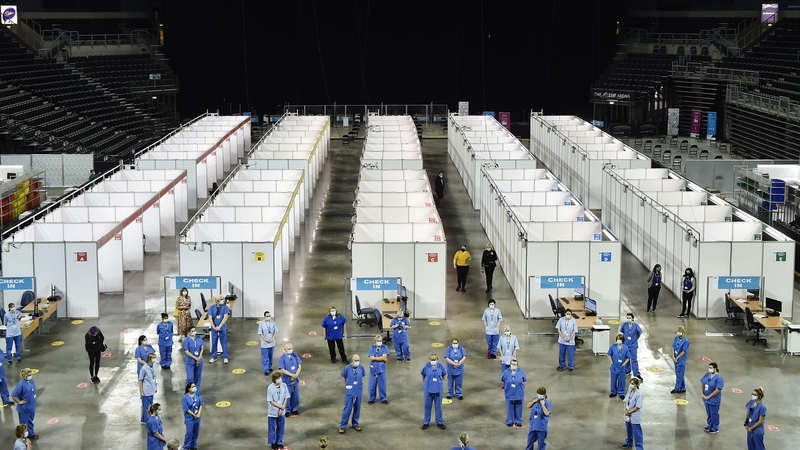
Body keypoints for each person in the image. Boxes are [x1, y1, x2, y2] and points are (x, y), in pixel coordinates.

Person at [338, 354, 366, 434]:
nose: (357, 362)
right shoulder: (347, 368)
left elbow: (362, 375)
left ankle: (355, 424)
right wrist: (349, 385)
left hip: (358, 390)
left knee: (357, 408)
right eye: (355, 360)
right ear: (352, 361)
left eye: (358, 361)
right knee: (347, 409)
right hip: (350, 391)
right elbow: (344, 377)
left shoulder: (361, 368)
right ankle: (342, 426)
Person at [420, 352, 447, 430]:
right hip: (428, 390)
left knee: (438, 406)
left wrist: (439, 383)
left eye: (434, 359)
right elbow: (422, 375)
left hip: (438, 390)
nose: (433, 361)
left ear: (437, 359)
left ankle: (439, 422)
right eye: (431, 359)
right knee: (427, 406)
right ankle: (426, 422)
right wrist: (427, 383)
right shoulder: (426, 366)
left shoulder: (440, 366)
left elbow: (443, 375)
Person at [278, 342, 302, 417]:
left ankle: (294, 409)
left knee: (295, 396)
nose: (290, 350)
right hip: (287, 381)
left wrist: (296, 375)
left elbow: (299, 366)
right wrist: (291, 375)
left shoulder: (295, 356)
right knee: (287, 396)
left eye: (291, 349)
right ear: (285, 349)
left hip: (295, 380)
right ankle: (287, 410)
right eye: (288, 349)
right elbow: (282, 369)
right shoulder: (282, 358)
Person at [267, 371, 290, 449]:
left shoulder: (284, 385)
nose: (280, 379)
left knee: (281, 427)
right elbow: (271, 401)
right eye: (278, 378)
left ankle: (279, 442)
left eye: (280, 378)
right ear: (274, 379)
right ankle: (273, 443)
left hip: (281, 411)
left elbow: (286, 397)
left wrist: (283, 407)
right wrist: (280, 407)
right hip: (273, 411)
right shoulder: (270, 388)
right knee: (272, 428)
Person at [501, 358, 527, 428]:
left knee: (519, 407)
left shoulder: (521, 372)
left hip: (519, 393)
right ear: (510, 365)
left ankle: (518, 421)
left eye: (515, 364)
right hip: (509, 393)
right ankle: (510, 421)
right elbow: (503, 379)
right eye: (512, 364)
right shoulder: (506, 372)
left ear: (517, 365)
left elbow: (524, 379)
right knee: (510, 407)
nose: (513, 366)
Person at [701, 361, 724, 433]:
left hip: (714, 400)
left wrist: (709, 396)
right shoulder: (707, 375)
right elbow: (702, 383)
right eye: (709, 368)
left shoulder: (719, 378)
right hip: (706, 399)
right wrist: (702, 394)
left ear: (715, 368)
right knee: (709, 413)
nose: (709, 369)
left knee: (714, 413)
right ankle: (710, 425)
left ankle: (715, 427)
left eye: (711, 368)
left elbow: (717, 390)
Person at [207, 296, 230, 364]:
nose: (223, 301)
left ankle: (225, 357)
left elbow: (225, 318)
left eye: (223, 299)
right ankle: (214, 357)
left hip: (222, 327)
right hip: (214, 328)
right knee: (214, 342)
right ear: (217, 301)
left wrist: (219, 326)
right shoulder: (212, 308)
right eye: (221, 299)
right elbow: (210, 317)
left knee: (224, 342)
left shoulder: (225, 307)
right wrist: (214, 326)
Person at [622, 377, 644, 450]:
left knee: (636, 431)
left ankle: (639, 447)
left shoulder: (639, 394)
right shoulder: (630, 391)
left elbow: (637, 407)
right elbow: (625, 400)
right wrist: (625, 409)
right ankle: (629, 442)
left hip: (634, 415)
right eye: (630, 383)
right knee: (629, 429)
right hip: (628, 414)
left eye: (632, 384)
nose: (631, 385)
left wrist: (629, 412)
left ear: (636, 385)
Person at [619, 313, 643, 380]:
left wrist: (635, 339)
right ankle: (627, 371)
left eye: (629, 318)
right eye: (627, 318)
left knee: (634, 360)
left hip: (633, 346)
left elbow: (639, 334)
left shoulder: (636, 326)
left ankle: (636, 374)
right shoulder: (624, 325)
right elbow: (622, 333)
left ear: (632, 318)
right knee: (626, 359)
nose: (628, 319)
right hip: (626, 345)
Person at [367, 335, 389, 404]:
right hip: (373, 369)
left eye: (380, 341)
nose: (379, 342)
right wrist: (382, 358)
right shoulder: (371, 348)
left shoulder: (385, 347)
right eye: (378, 341)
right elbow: (371, 358)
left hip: (381, 369)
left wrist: (375, 358)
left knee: (382, 384)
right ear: (375, 341)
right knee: (372, 385)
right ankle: (371, 399)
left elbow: (384, 357)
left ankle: (383, 398)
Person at [607, 333, 631, 399]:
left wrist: (624, 364)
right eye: (617, 339)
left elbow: (628, 357)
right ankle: (613, 392)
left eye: (620, 340)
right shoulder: (613, 347)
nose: (618, 341)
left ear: (622, 340)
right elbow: (609, 354)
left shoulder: (625, 348)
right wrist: (611, 362)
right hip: (614, 367)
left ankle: (621, 393)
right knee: (613, 380)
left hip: (622, 368)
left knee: (622, 381)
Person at [182, 381, 204, 450]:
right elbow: (186, 409)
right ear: (189, 389)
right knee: (189, 433)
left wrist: (198, 414)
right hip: (190, 418)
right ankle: (186, 447)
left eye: (195, 386)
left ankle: (193, 446)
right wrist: (194, 415)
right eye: (193, 387)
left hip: (197, 417)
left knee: (196, 432)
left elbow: (201, 404)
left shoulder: (197, 394)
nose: (195, 388)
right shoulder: (185, 398)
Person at [183, 326, 204, 391]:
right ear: (189, 332)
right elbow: (186, 351)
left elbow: (202, 347)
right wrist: (195, 358)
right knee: (190, 377)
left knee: (197, 376)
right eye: (192, 331)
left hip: (199, 360)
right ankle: (188, 392)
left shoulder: (198, 338)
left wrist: (199, 357)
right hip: (190, 360)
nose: (194, 332)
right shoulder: (186, 340)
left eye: (195, 330)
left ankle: (196, 392)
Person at [139, 353, 158, 424]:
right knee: (147, 407)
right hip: (146, 390)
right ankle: (148, 421)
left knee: (150, 405)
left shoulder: (154, 366)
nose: (155, 360)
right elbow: (140, 380)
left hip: (152, 389)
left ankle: (143, 419)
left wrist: (155, 387)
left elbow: (154, 377)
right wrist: (141, 391)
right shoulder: (144, 368)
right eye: (153, 358)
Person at [259, 311, 279, 375]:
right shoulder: (261, 324)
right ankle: (266, 370)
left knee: (270, 356)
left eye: (269, 316)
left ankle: (269, 366)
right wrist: (265, 340)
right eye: (267, 316)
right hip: (264, 343)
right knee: (265, 357)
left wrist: (272, 339)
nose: (269, 317)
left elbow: (275, 331)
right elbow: (260, 333)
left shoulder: (273, 322)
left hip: (272, 342)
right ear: (264, 317)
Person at [671, 326, 690, 394]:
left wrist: (677, 358)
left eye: (679, 331)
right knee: (679, 374)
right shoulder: (676, 338)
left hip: (681, 359)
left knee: (680, 374)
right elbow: (673, 347)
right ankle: (683, 387)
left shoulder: (686, 341)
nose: (678, 332)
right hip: (675, 358)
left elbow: (684, 351)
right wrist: (673, 356)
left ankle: (677, 388)